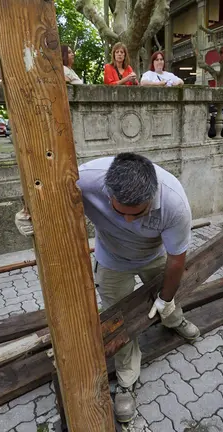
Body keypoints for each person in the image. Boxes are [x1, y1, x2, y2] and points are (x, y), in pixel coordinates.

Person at [14, 153, 200, 423]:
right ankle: (127, 379)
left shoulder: (174, 204)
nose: (127, 221)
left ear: (153, 196)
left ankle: (174, 319)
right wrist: (28, 213)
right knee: (118, 319)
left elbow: (176, 260)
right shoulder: (85, 179)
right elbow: (38, 186)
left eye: (136, 214)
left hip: (155, 256)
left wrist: (165, 298)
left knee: (165, 299)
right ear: (106, 191)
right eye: (118, 211)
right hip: (112, 259)